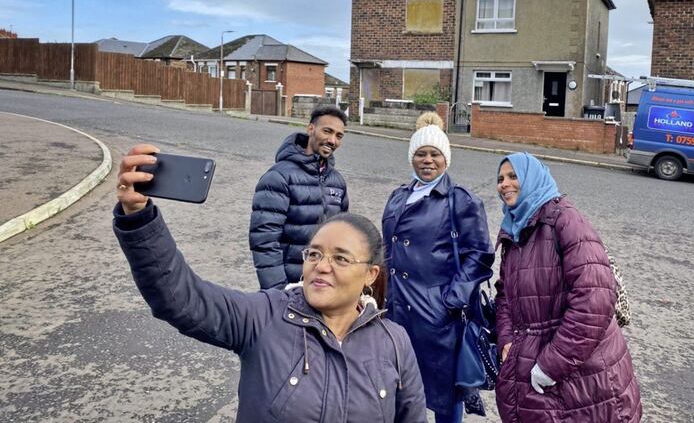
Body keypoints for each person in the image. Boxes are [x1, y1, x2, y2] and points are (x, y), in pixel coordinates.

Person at [113, 144, 427, 423]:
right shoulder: (264, 316)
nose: (321, 267)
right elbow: (181, 298)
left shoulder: (394, 342)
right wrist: (138, 218)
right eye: (314, 254)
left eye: (341, 259)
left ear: (370, 275)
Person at [494, 152, 642, 422]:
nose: (504, 183)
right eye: (500, 178)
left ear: (532, 178)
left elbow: (594, 301)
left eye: (513, 176)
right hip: (535, 371)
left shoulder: (564, 220)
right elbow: (504, 294)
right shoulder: (515, 229)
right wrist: (506, 339)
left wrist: (550, 365)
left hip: (584, 381)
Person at [381, 113, 494, 423]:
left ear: (446, 159)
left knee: (444, 395)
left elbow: (480, 255)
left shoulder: (460, 200)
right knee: (400, 386)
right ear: (411, 158)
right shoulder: (397, 198)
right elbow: (386, 250)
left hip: (439, 317)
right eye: (420, 154)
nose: (427, 160)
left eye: (435, 154)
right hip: (398, 311)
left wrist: (451, 299)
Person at [250, 105, 349, 290]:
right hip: (288, 287)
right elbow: (264, 240)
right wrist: (279, 291)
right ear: (311, 129)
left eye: (339, 135)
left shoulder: (337, 182)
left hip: (322, 286)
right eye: (327, 131)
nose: (332, 140)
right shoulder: (278, 177)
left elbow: (341, 236)